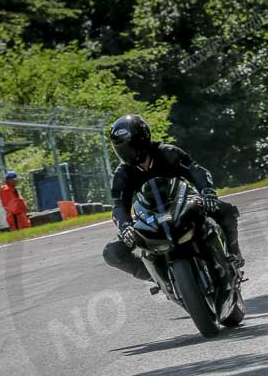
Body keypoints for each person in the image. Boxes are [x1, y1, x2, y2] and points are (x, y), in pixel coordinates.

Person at [102, 115, 243, 281]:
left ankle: (233, 254)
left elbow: (196, 171)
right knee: (112, 253)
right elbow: (119, 205)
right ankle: (157, 278)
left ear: (142, 138)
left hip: (185, 202)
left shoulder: (167, 152)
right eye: (121, 147)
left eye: (130, 144)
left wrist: (207, 192)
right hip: (149, 216)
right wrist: (125, 226)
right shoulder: (122, 174)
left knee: (226, 210)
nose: (127, 151)